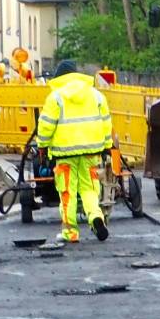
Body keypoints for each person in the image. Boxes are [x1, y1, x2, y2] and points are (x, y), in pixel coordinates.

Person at [34, 59, 113, 244]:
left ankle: (70, 232)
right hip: (91, 152)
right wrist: (107, 145)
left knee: (68, 192)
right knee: (89, 189)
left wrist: (42, 146)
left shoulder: (56, 97)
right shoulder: (96, 95)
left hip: (65, 154)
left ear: (59, 77)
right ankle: (96, 217)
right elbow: (106, 122)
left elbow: (46, 125)